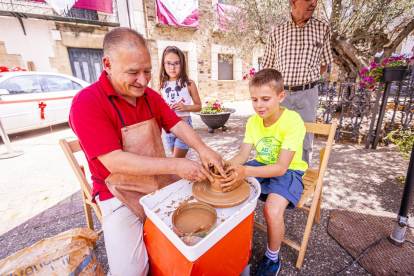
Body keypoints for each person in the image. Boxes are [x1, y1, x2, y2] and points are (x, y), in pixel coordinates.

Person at [69, 27, 224, 276]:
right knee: (130, 271)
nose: (143, 80)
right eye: (133, 72)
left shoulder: (150, 96)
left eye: (148, 71)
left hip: (159, 180)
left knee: (209, 223)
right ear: (107, 64)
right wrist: (176, 166)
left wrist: (203, 149)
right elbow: (115, 162)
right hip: (117, 193)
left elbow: (177, 124)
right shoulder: (87, 103)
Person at [222, 69, 308, 276]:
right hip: (260, 164)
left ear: (281, 97)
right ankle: (234, 242)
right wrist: (224, 165)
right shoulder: (253, 121)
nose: (259, 105)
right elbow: (243, 155)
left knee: (272, 210)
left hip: (289, 171)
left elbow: (281, 168)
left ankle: (272, 257)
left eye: (265, 99)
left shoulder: (292, 121)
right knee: (226, 184)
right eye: (254, 99)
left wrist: (245, 171)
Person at [262, 0, 333, 165]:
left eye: (316, 0)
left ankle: (300, 180)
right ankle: (276, 178)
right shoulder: (277, 32)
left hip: (308, 94)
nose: (314, 3)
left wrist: (307, 81)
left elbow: (324, 64)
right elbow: (267, 68)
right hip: (281, 95)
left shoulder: (322, 28)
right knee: (276, 137)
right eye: (308, 0)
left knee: (305, 141)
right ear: (294, 2)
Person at [159, 46, 202, 158]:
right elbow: (159, 107)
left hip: (184, 127)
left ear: (182, 64)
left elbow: (199, 106)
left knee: (177, 161)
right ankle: (191, 174)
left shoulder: (189, 84)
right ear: (163, 65)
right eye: (168, 63)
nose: (172, 67)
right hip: (168, 129)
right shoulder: (162, 86)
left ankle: (192, 174)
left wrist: (185, 107)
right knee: (178, 162)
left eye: (176, 63)